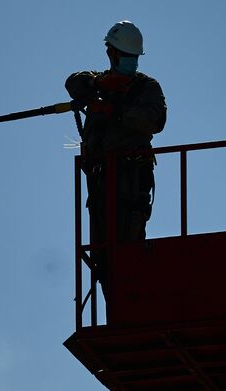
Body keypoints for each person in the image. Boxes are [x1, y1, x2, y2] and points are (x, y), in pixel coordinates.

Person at [65, 20, 167, 256]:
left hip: (131, 176)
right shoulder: (99, 83)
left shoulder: (146, 87)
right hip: (100, 178)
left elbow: (156, 119)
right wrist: (96, 83)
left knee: (127, 242)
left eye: (133, 56)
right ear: (110, 53)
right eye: (124, 54)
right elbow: (72, 83)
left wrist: (114, 111)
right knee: (102, 251)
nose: (130, 60)